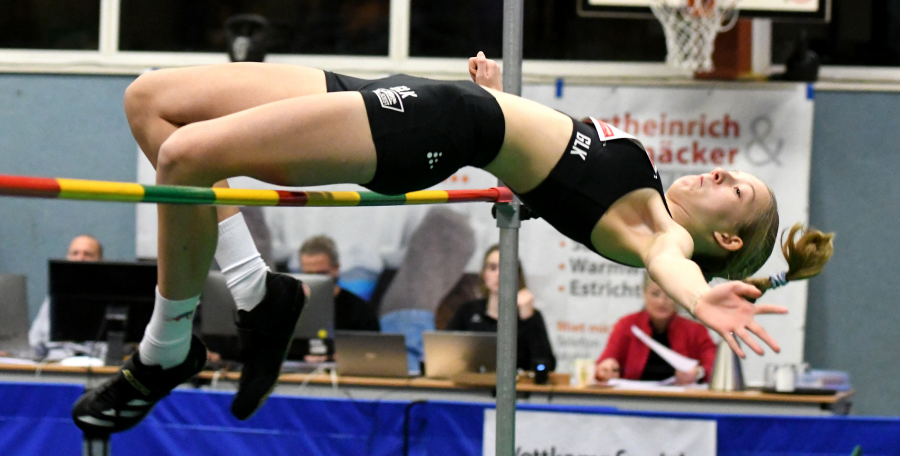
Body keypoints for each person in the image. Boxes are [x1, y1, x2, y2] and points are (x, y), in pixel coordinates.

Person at [72, 52, 833, 434]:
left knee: (186, 159)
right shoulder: (644, 182)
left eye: (737, 187)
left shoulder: (653, 227)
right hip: (430, 96)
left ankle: (167, 346)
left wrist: (700, 295)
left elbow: (668, 261)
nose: (721, 171)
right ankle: (256, 291)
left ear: (724, 234)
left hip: (428, 126)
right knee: (152, 102)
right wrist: (499, 91)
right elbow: (542, 154)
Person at [446, 244, 555, 372]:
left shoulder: (531, 316)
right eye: (493, 268)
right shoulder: (467, 312)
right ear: (484, 275)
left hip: (517, 389)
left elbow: (546, 365)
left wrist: (528, 321)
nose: (499, 274)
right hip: (472, 388)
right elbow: (444, 354)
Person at [595, 274, 716, 384]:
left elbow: (714, 366)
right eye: (655, 294)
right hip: (635, 399)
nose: (661, 302)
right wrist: (607, 367)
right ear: (644, 293)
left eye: (669, 295)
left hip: (681, 401)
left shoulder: (696, 331)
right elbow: (603, 363)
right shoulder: (627, 325)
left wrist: (698, 373)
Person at [29, 235, 103, 356]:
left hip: (94, 362)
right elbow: (34, 339)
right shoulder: (55, 296)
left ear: (100, 260)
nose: (80, 259)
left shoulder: (110, 297)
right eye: (75, 253)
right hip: (54, 362)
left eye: (88, 254)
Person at [299, 235, 380, 332]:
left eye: (321, 274)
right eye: (309, 274)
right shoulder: (292, 309)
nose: (315, 279)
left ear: (336, 268)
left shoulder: (361, 313)